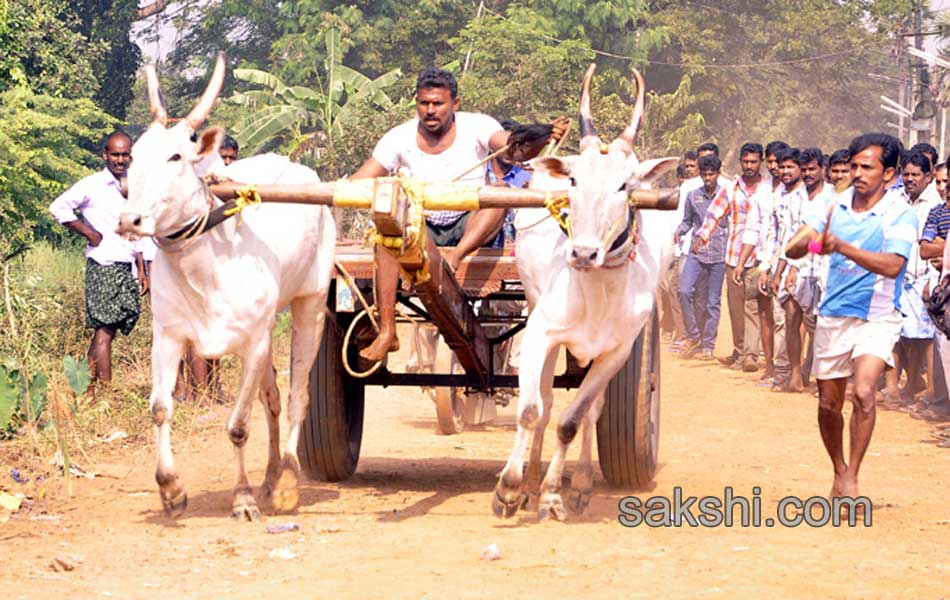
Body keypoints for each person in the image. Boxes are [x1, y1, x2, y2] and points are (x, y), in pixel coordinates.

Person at [350, 68, 565, 361]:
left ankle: (455, 258)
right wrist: (329, 194)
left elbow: (515, 150)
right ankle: (387, 331)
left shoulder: (477, 126)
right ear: (417, 104)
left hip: (470, 227)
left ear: (456, 104)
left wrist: (543, 135)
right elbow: (358, 183)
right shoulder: (398, 137)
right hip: (421, 227)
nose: (430, 110)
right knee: (387, 227)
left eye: (438, 104)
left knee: (500, 190)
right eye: (424, 103)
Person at [786, 132, 917, 502]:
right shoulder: (833, 204)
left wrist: (841, 246)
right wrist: (810, 243)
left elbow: (893, 265)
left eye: (867, 167)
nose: (857, 173)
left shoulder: (899, 213)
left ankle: (854, 477)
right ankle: (838, 469)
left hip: (877, 315)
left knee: (862, 392)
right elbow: (797, 246)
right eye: (854, 165)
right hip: (833, 314)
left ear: (888, 173)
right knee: (828, 403)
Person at [49, 131, 143, 398]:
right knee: (104, 330)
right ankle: (105, 393)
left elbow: (135, 227)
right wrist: (87, 232)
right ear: (105, 155)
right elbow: (59, 208)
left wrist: (140, 266)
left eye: (125, 155)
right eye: (115, 154)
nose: (120, 160)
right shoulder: (92, 185)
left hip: (124, 265)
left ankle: (88, 391)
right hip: (103, 264)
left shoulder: (133, 186)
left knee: (109, 330)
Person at [695, 142, 764, 371]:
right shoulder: (731, 189)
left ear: (760, 162)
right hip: (734, 255)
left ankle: (751, 355)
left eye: (754, 161)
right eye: (746, 162)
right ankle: (741, 348)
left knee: (752, 306)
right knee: (735, 307)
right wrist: (702, 236)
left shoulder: (768, 189)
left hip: (761, 257)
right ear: (740, 162)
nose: (749, 166)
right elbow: (713, 215)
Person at [675, 154, 728, 360]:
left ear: (718, 174)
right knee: (684, 290)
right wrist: (678, 232)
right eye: (704, 174)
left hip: (719, 253)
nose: (708, 178)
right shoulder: (693, 196)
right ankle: (693, 334)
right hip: (696, 252)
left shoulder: (726, 196)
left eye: (711, 174)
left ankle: (708, 345)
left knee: (712, 301)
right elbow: (687, 221)